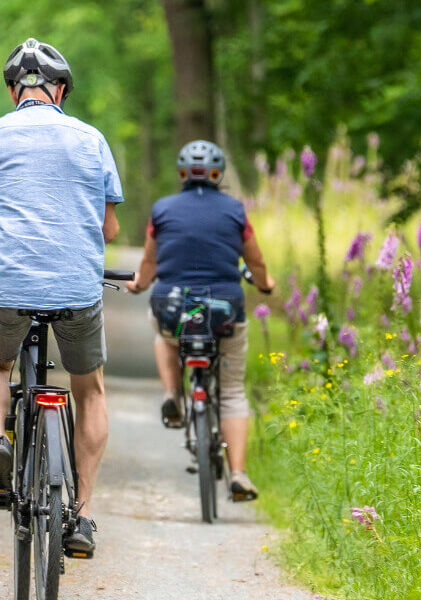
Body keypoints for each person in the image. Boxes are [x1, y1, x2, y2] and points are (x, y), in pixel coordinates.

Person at [0, 38, 123, 555]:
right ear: (61, 90)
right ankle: (83, 516)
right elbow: (110, 228)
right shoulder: (92, 140)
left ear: (14, 91)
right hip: (77, 288)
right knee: (90, 389)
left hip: (9, 285)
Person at [125, 140, 274, 501]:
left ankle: (172, 394)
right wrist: (266, 284)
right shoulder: (236, 211)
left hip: (173, 309)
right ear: (218, 174)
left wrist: (140, 284)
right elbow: (255, 261)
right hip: (224, 311)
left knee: (164, 333)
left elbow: (149, 263)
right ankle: (238, 474)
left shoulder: (162, 209)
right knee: (233, 391)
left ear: (182, 173)